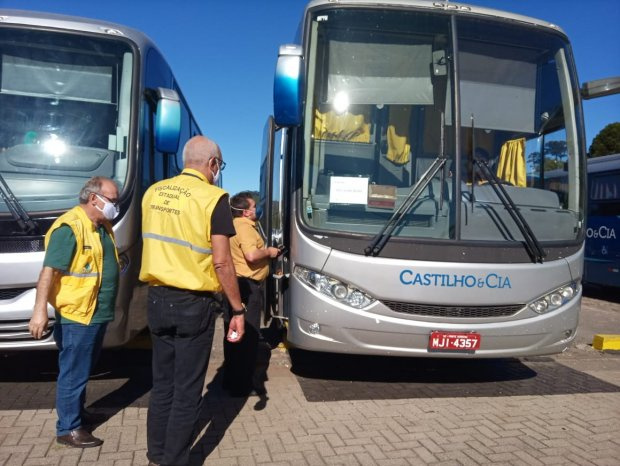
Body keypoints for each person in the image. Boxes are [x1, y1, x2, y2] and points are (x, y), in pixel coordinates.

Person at [139, 135, 245, 466]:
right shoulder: (214, 198)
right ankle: (175, 460)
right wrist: (237, 309)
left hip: (156, 299)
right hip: (192, 304)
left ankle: (157, 454)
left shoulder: (153, 192)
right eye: (219, 165)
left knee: (163, 385)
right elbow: (222, 262)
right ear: (213, 163)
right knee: (187, 391)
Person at [28, 176, 120, 448]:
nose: (115, 206)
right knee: (73, 372)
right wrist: (39, 311)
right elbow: (48, 272)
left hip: (96, 312)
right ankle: (68, 429)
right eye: (112, 200)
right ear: (94, 199)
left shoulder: (101, 226)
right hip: (78, 314)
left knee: (84, 367)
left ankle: (77, 414)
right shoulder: (69, 227)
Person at [224, 192, 280, 397]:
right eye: (254, 206)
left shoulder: (232, 225)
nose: (257, 209)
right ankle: (242, 385)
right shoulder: (245, 228)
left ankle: (230, 381)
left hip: (234, 284)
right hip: (247, 287)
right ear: (246, 212)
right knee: (247, 336)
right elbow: (251, 255)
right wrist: (269, 252)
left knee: (232, 335)